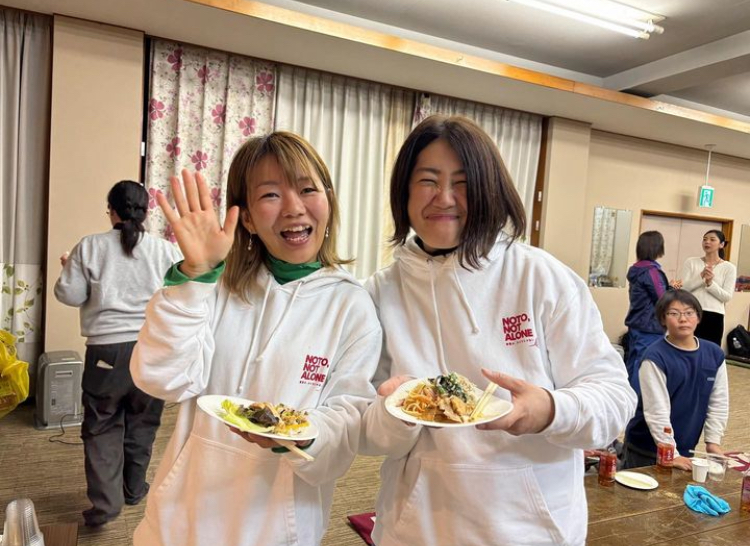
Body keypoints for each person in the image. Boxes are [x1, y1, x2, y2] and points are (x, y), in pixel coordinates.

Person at [360, 115, 637, 546]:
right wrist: (393, 415)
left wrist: (549, 410)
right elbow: (367, 431)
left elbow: (615, 401)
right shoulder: (379, 293)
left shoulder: (540, 277)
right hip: (416, 530)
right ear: (404, 192)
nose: (444, 198)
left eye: (463, 183)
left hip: (531, 531)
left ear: (489, 190)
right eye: (427, 180)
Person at [130, 132, 381, 546]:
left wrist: (305, 434)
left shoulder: (351, 306)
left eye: (307, 189)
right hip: (183, 519)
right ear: (246, 218)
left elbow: (347, 420)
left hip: (279, 528)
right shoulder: (217, 288)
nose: (294, 208)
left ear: (329, 201)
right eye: (270, 195)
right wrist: (194, 278)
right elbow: (161, 378)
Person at [54, 180, 181, 527]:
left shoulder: (89, 246)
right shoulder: (165, 250)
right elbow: (183, 295)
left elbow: (69, 295)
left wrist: (69, 267)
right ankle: (133, 490)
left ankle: (107, 505)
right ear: (146, 211)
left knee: (102, 426)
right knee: (143, 422)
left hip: (105, 354)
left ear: (111, 210)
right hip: (153, 348)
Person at [623, 289, 728, 470]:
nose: (683, 319)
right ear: (663, 319)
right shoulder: (654, 357)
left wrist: (713, 441)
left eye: (689, 313)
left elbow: (718, 401)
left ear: (698, 317)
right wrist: (670, 451)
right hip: (646, 449)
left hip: (685, 446)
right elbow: (656, 410)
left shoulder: (714, 354)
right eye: (674, 313)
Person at [624, 231, 669, 393]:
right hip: (649, 326)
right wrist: (673, 293)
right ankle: (637, 401)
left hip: (636, 323)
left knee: (633, 362)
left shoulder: (636, 270)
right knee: (644, 365)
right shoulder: (651, 271)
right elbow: (662, 299)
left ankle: (628, 398)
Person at [678, 230, 736, 346]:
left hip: (714, 315)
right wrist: (701, 278)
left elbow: (727, 297)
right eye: (705, 239)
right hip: (691, 313)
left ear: (721, 244)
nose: (707, 242)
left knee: (710, 351)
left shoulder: (729, 268)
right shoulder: (691, 262)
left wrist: (710, 284)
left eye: (712, 239)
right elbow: (683, 289)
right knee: (686, 347)